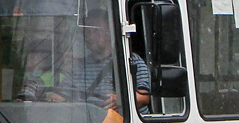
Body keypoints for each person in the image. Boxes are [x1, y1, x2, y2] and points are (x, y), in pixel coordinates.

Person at [22, 10, 150, 110]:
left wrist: (121, 100)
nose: (89, 36)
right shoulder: (79, 66)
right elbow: (63, 93)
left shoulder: (130, 60)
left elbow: (144, 97)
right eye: (86, 32)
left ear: (110, 32)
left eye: (94, 31)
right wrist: (51, 98)